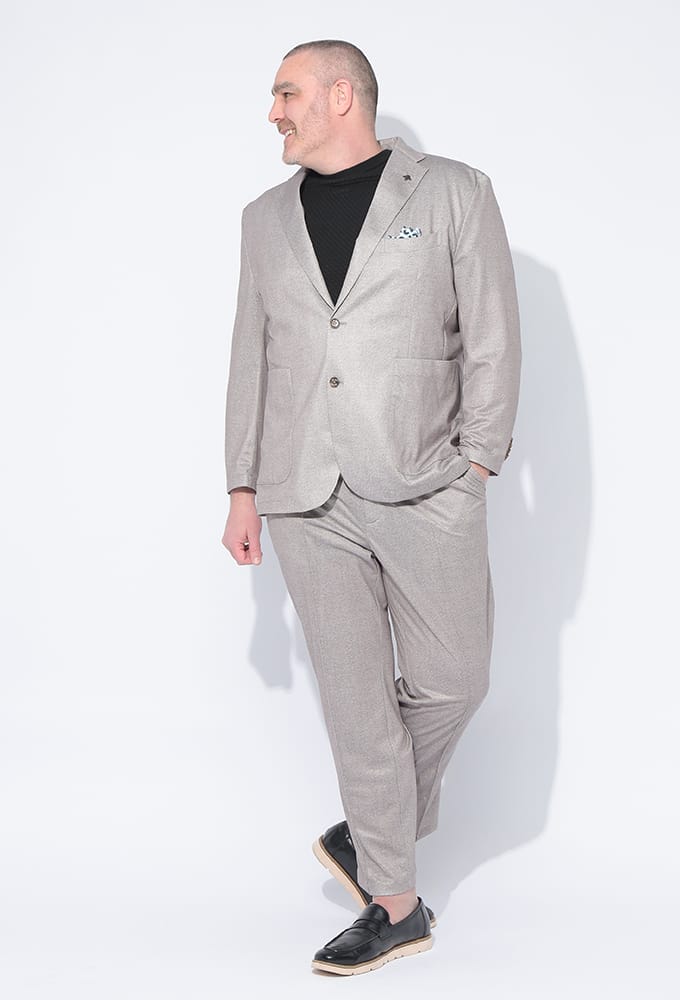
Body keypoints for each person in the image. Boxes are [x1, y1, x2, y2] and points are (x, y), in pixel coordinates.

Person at [221, 38, 521, 976]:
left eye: (287, 93)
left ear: (342, 95)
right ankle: (395, 904)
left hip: (428, 478)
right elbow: (251, 354)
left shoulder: (454, 192)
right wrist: (241, 487)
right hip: (303, 491)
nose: (274, 111)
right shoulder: (264, 218)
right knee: (357, 703)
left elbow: (492, 335)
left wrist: (478, 462)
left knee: (456, 679)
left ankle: (370, 826)